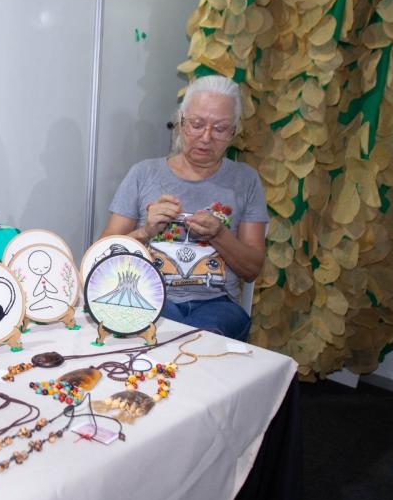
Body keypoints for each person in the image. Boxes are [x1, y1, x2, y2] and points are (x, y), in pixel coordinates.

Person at [100, 75, 267, 341]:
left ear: (234, 132)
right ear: (180, 122)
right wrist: (145, 232)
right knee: (161, 332)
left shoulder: (245, 180)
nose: (206, 137)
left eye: (220, 128)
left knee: (199, 339)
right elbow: (102, 255)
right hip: (150, 294)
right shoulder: (144, 173)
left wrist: (219, 235)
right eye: (196, 124)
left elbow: (252, 269)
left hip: (217, 304)